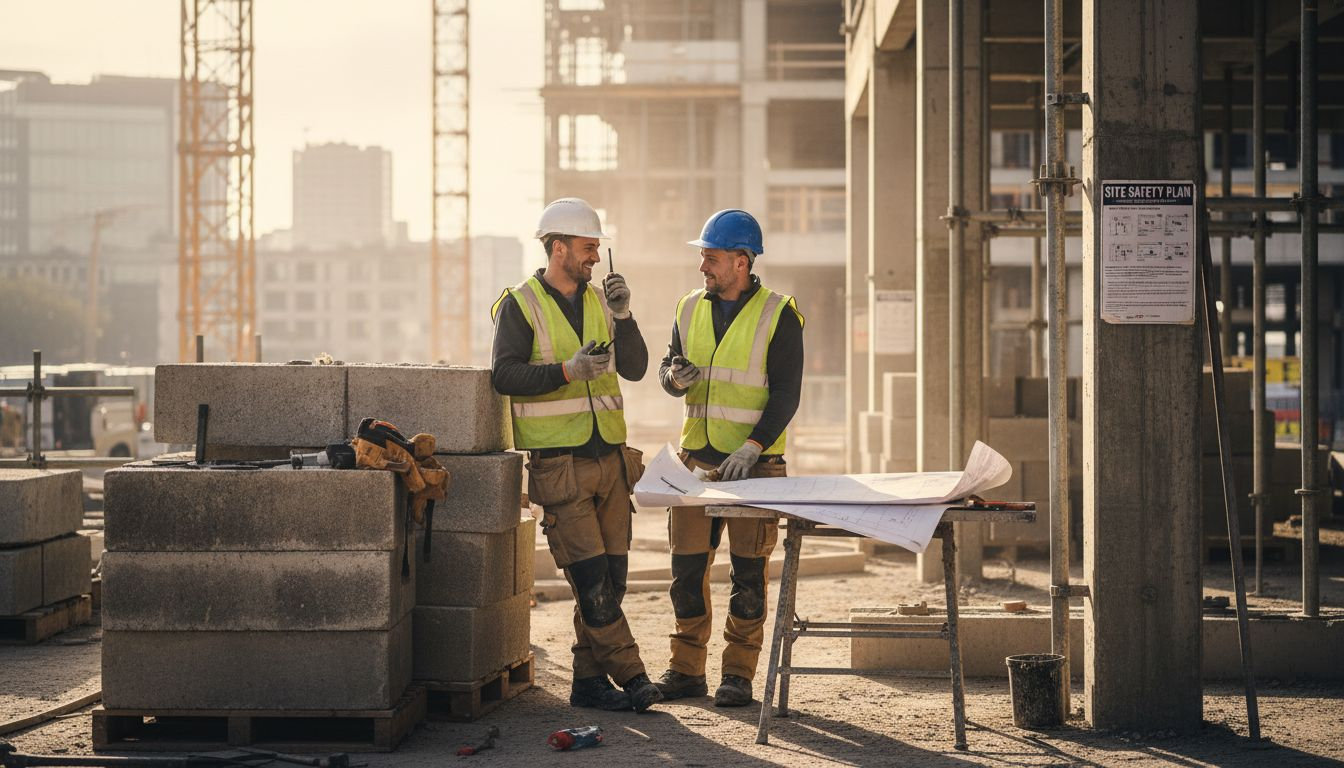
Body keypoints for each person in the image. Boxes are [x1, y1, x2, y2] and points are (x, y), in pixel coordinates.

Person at [490, 197, 663, 713]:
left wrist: (624, 316)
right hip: (560, 465)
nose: (594, 256)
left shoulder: (602, 302)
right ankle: (633, 676)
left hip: (610, 459)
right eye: (588, 247)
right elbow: (505, 375)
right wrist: (568, 371)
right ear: (558, 247)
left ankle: (588, 683)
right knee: (590, 582)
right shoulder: (521, 304)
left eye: (596, 248)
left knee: (614, 580)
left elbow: (635, 368)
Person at [653, 209, 805, 707]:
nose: (702, 267)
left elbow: (786, 394)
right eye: (702, 257)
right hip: (695, 463)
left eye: (711, 258)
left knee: (748, 578)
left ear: (741, 262)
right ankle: (686, 671)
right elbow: (668, 368)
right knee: (686, 574)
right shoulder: (687, 307)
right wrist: (673, 379)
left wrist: (753, 445)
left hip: (754, 467)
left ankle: (737, 675)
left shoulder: (780, 314)